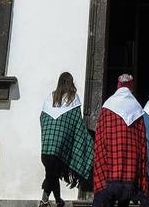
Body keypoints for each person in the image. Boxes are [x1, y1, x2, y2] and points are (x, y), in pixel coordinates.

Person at [95, 75, 149, 207]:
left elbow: (99, 139)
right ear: (131, 87)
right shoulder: (137, 110)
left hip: (109, 171)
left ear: (118, 85)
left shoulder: (107, 108)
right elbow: (142, 143)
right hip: (130, 173)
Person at [41, 72, 94, 207]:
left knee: (51, 174)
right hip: (59, 151)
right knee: (52, 175)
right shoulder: (73, 99)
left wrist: (50, 136)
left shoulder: (51, 98)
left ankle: (54, 201)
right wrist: (86, 140)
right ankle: (47, 202)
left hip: (46, 148)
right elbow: (77, 124)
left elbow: (42, 119)